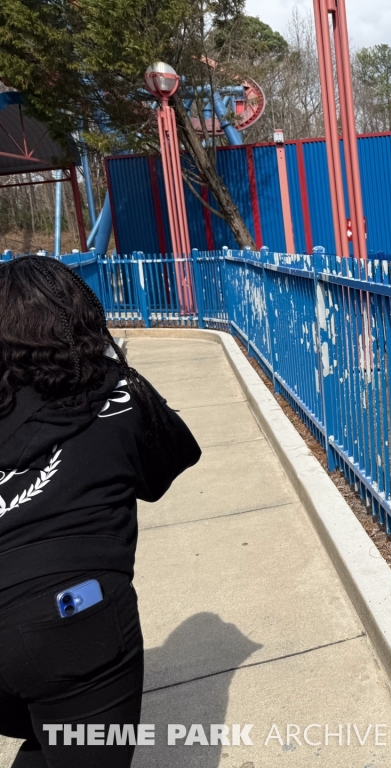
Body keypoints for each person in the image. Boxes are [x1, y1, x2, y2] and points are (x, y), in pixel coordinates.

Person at [0, 256, 201, 767]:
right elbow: (163, 468)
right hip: (70, 620)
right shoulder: (116, 389)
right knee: (75, 729)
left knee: (53, 731)